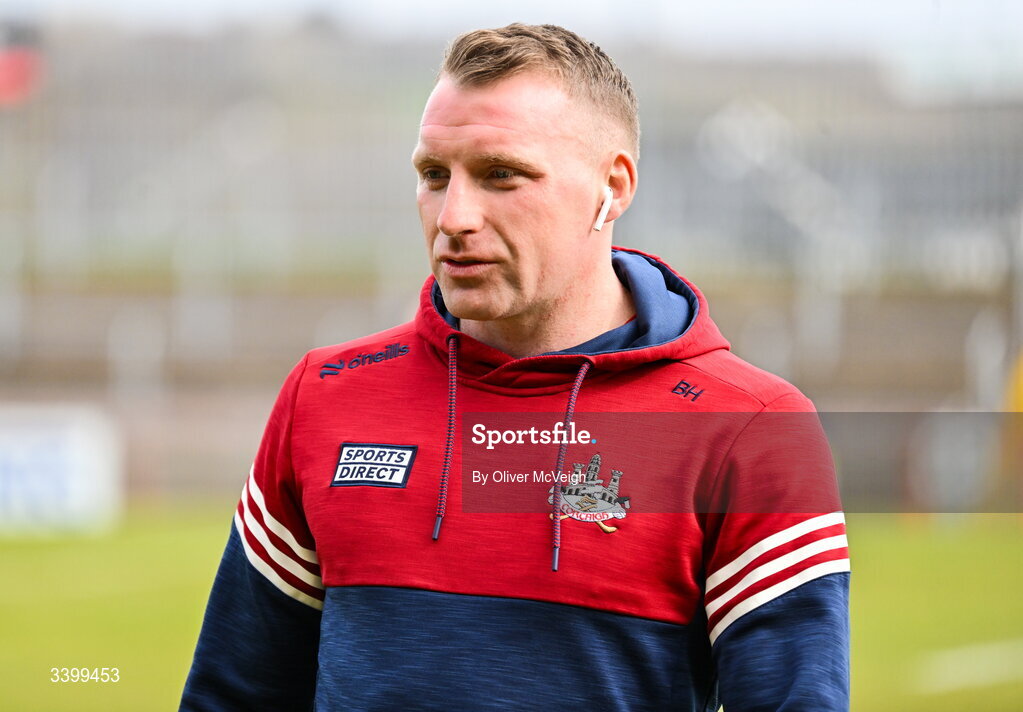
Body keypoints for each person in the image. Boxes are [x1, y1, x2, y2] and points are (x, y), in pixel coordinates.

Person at [180, 23, 849, 711]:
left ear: (610, 188)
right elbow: (235, 694)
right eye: (434, 175)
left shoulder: (749, 429)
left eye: (502, 175)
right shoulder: (327, 397)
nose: (454, 217)